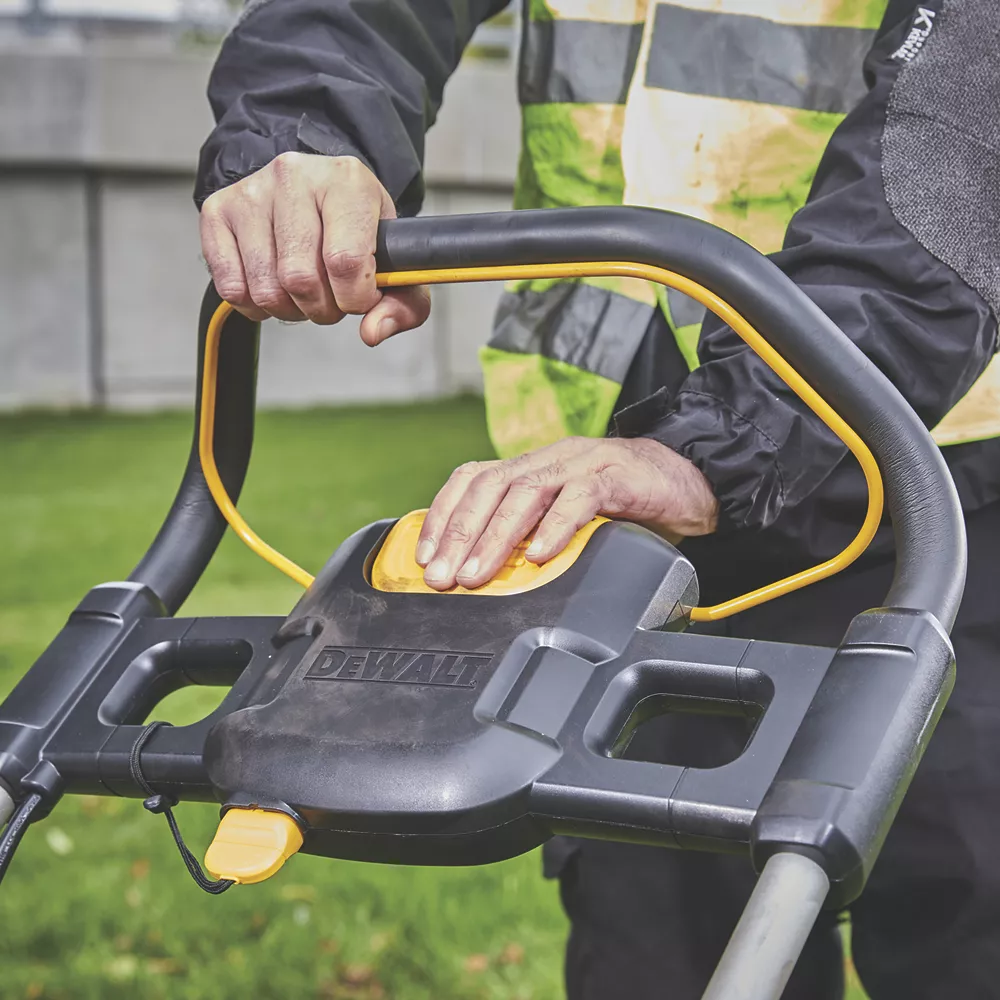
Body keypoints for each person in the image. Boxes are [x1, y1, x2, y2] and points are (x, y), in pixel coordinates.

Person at [195, 0, 1000, 996]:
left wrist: (745, 424)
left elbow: (968, 108)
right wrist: (304, 129)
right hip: (608, 533)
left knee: (968, 919)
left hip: (934, 477)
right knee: (656, 948)